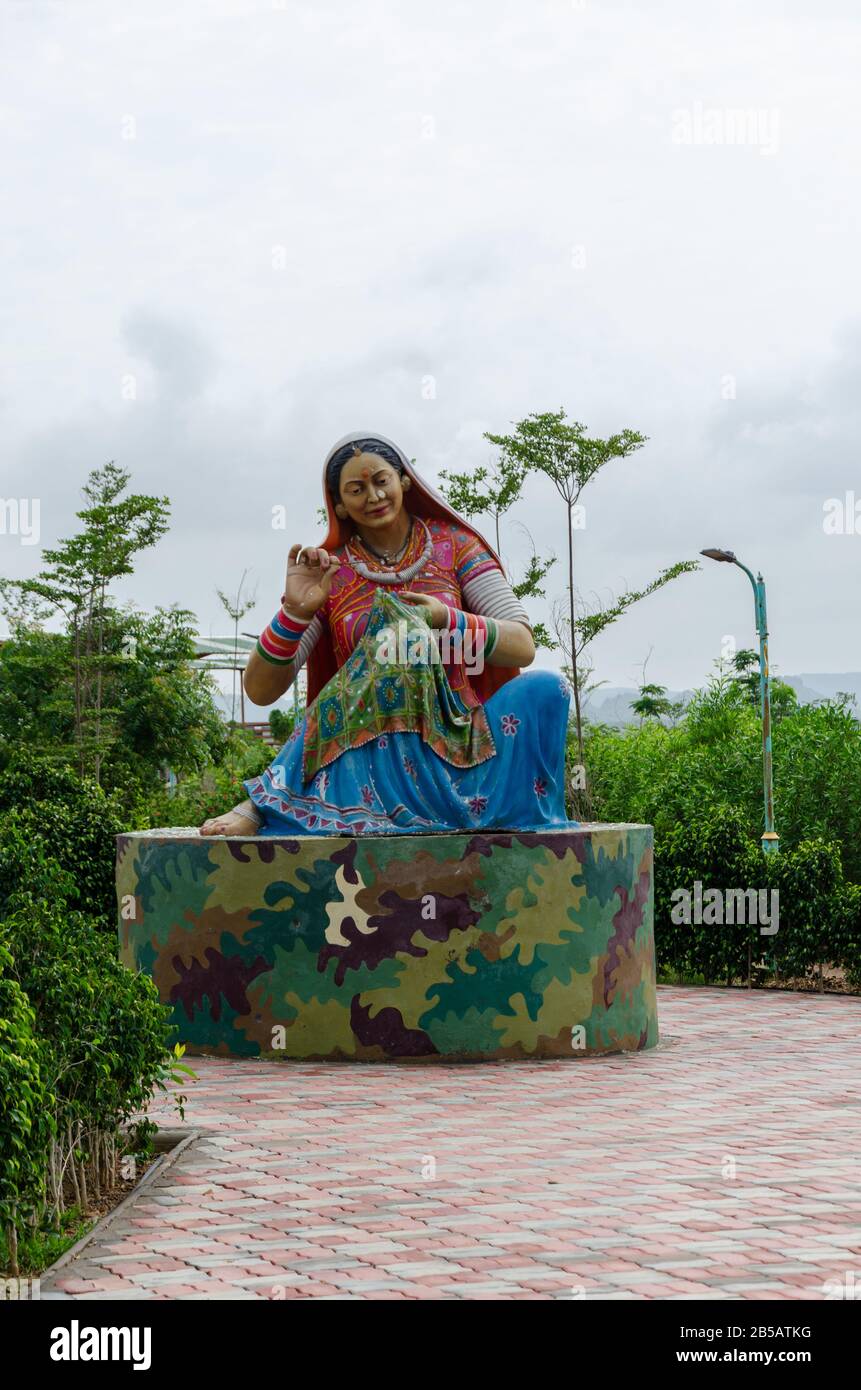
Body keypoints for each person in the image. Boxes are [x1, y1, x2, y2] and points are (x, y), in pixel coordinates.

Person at [199, 431, 574, 836]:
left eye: (381, 481)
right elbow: (259, 691)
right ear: (339, 505)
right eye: (357, 489)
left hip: (458, 741)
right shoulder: (332, 573)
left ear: (404, 481)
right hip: (368, 761)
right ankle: (270, 798)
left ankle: (483, 807)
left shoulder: (456, 546)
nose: (374, 496)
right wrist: (294, 612)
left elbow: (522, 646)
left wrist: (448, 619)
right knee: (396, 641)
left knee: (548, 690)